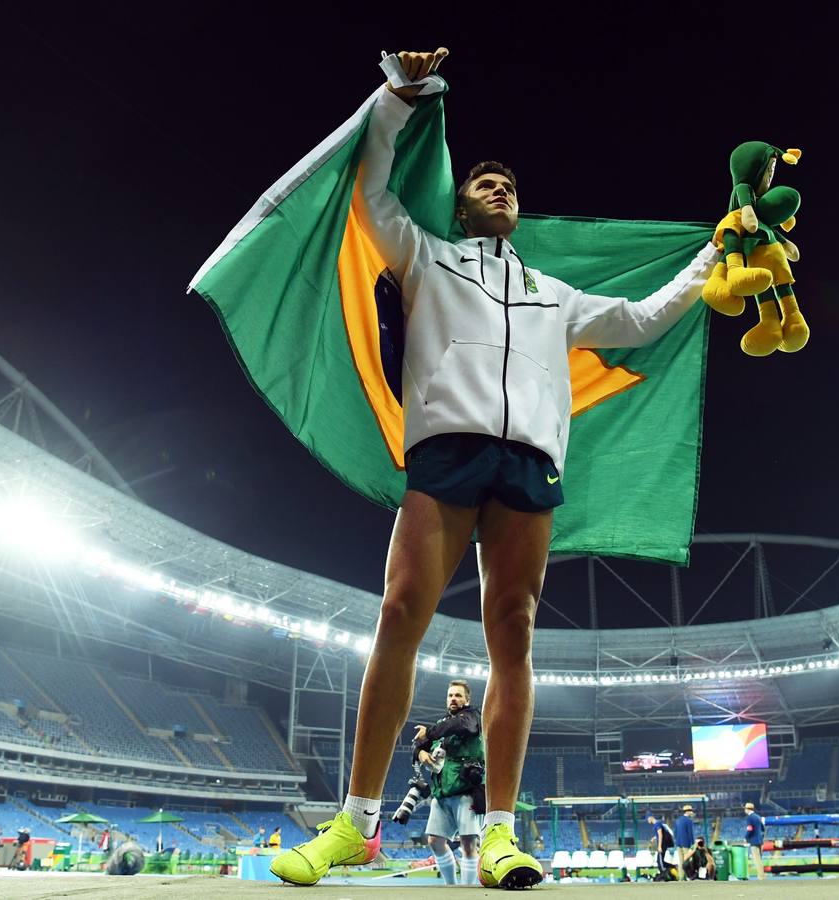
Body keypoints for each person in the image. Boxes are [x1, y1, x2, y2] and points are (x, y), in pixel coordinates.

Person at [270, 46, 719, 892]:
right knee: (402, 609)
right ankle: (354, 825)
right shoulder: (423, 253)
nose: (498, 189)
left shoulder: (555, 294)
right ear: (464, 204)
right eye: (483, 183)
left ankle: (498, 839)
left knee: (511, 633)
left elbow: (642, 320)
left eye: (508, 185)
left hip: (529, 464)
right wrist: (399, 96)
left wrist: (713, 257)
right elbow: (370, 192)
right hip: (444, 448)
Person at [414, 680, 485, 886]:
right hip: (442, 792)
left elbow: (462, 725)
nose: (453, 698)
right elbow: (418, 744)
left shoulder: (472, 717)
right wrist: (421, 753)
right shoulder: (442, 722)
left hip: (466, 790)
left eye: (458, 695)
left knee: (468, 843)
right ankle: (451, 888)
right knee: (435, 841)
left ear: (467, 699)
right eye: (450, 695)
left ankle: (469, 890)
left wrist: (429, 732)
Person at [647, 814, 675, 881]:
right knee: (659, 860)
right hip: (663, 844)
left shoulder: (657, 824)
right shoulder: (658, 824)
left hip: (662, 845)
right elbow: (659, 834)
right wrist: (654, 838)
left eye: (647, 819)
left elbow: (660, 834)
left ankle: (664, 874)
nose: (648, 821)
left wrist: (659, 846)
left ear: (650, 818)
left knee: (660, 861)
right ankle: (671, 867)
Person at [743, 802, 765, 879]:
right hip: (760, 840)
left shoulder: (749, 818)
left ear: (747, 809)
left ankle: (761, 877)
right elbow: (763, 828)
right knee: (760, 859)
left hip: (754, 841)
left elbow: (750, 829)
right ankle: (762, 875)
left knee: (756, 859)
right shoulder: (758, 817)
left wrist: (746, 837)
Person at [674, 804, 696, 876]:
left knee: (681, 861)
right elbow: (690, 834)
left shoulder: (677, 820)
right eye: (691, 811)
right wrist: (693, 844)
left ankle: (681, 877)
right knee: (687, 861)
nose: (692, 812)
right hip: (686, 844)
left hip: (678, 844)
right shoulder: (688, 821)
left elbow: (675, 833)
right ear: (688, 812)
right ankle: (688, 876)